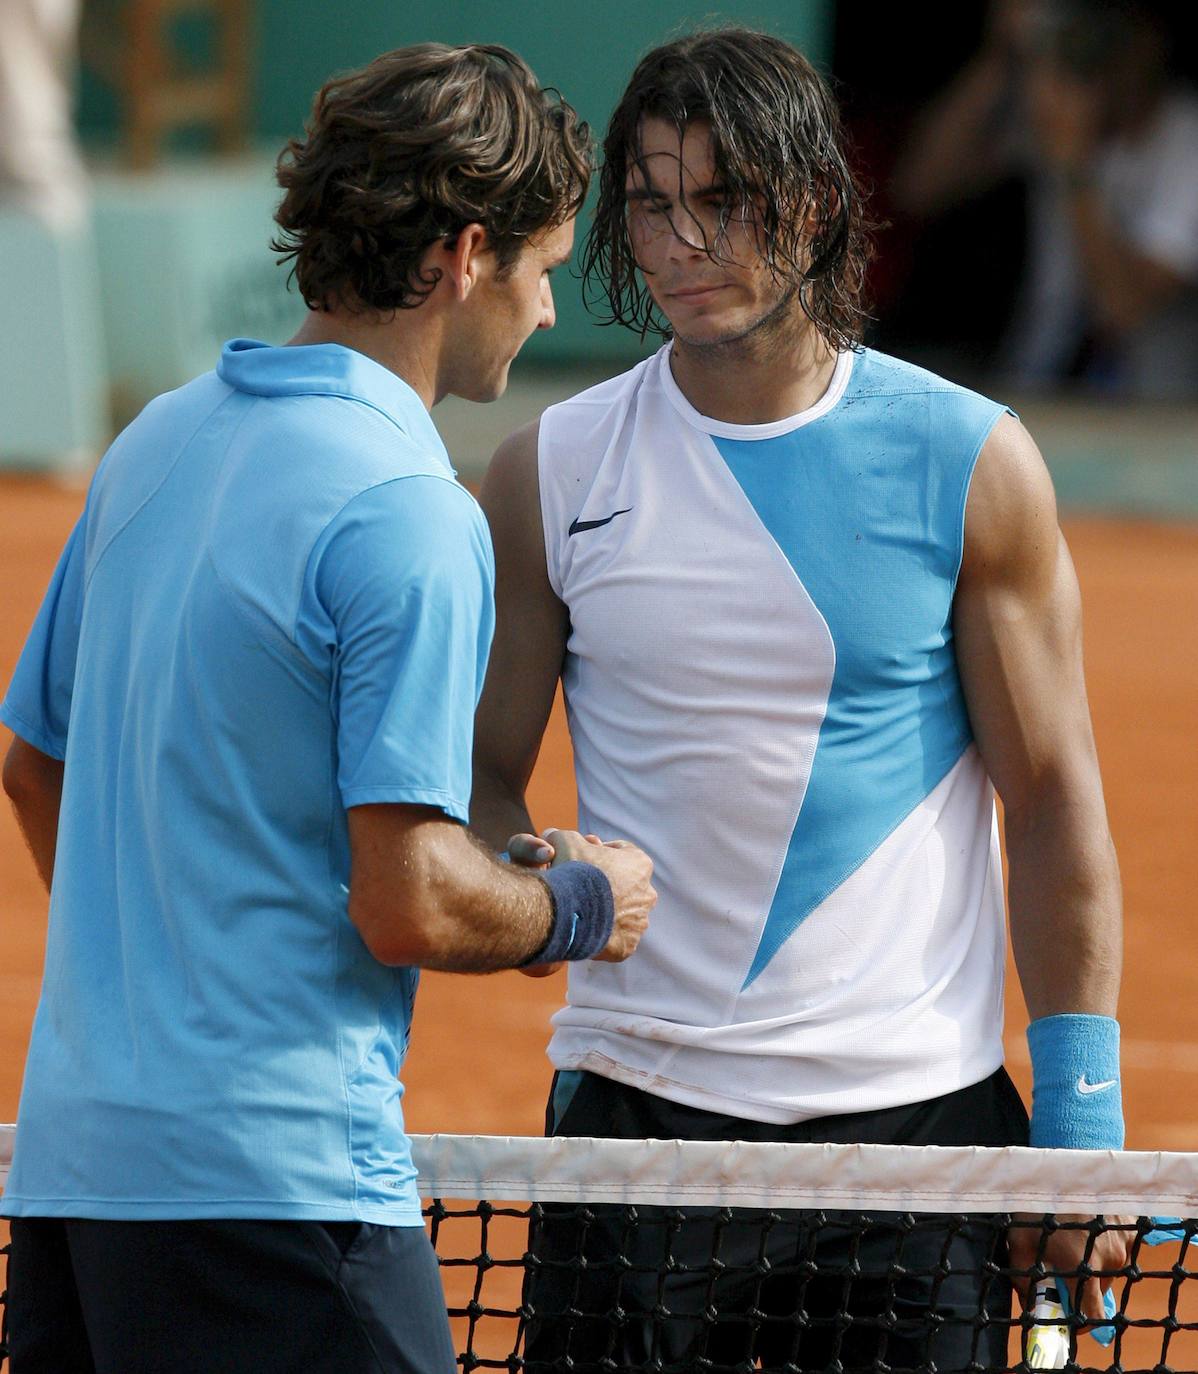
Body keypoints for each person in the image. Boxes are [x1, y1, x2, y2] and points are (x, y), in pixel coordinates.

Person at [471, 27, 1131, 1373]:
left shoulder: (968, 461)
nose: (679, 244)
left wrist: (1077, 1124)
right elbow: (484, 769)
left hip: (909, 1140)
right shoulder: (547, 467)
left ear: (813, 204)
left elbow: (1053, 796)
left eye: (723, 201)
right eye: (651, 206)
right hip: (637, 1126)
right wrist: (533, 879)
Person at [0, 43, 656, 1374]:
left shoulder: (153, 443)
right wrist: (577, 906)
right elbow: (405, 896)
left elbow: (33, 767)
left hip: (77, 1183)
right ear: (465, 256)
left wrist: (168, 998)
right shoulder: (410, 510)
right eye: (537, 272)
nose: (542, 314)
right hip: (275, 1203)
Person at [891, 0, 1198, 399]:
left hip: (1152, 410)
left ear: (1151, 40)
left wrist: (1074, 166)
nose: (1098, 55)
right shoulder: (1055, 109)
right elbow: (917, 186)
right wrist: (1002, 58)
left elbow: (1121, 308)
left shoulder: (1184, 135)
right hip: (1035, 381)